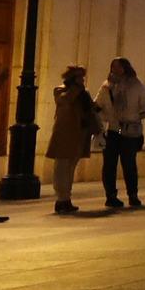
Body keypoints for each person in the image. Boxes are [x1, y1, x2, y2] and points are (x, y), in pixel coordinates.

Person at [93, 58, 145, 210]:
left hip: (129, 131)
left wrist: (134, 118)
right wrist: (102, 117)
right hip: (114, 130)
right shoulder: (106, 86)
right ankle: (111, 196)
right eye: (112, 66)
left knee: (129, 165)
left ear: (125, 68)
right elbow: (98, 105)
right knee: (109, 165)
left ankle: (132, 194)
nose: (114, 70)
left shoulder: (135, 85)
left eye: (118, 67)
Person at [46, 65, 101, 214]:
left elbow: (91, 109)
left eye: (82, 77)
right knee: (61, 168)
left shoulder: (84, 93)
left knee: (70, 168)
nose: (82, 80)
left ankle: (66, 198)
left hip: (79, 135)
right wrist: (76, 89)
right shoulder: (61, 90)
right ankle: (61, 199)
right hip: (64, 134)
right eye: (78, 77)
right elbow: (65, 100)